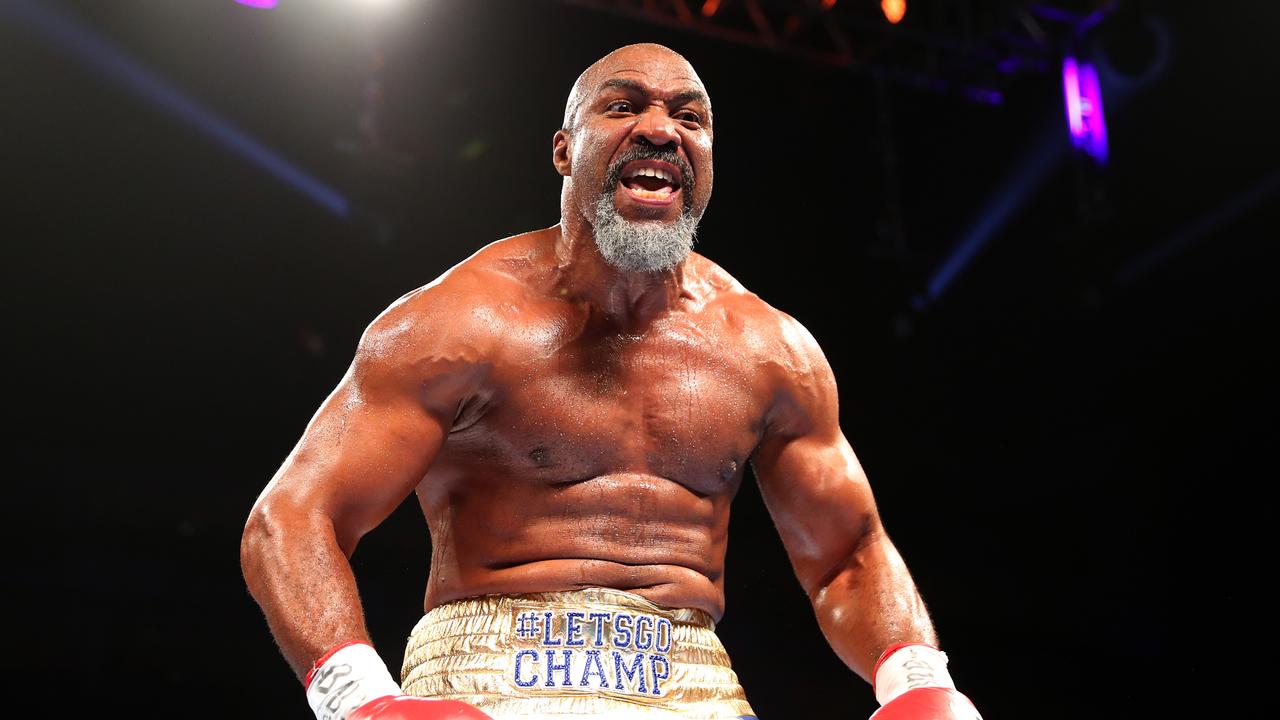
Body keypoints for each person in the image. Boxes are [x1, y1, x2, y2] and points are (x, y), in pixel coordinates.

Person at [240, 43, 983, 720]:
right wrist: (361, 700)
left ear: (710, 157)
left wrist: (919, 680)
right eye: (624, 106)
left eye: (689, 116)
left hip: (691, 680)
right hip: (491, 672)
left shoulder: (768, 349)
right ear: (565, 151)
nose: (661, 130)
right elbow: (292, 518)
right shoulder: (458, 322)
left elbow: (849, 552)